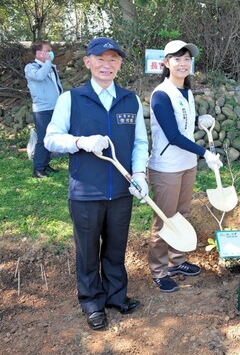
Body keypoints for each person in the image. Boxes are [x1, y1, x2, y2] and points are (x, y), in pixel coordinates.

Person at [44, 37, 148, 330]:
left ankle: (116, 296)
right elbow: (51, 138)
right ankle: (92, 302)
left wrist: (139, 174)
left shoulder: (130, 99)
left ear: (120, 64)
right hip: (86, 191)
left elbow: (140, 141)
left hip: (122, 189)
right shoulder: (72, 99)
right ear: (88, 62)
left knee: (116, 247)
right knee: (88, 250)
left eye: (113, 59)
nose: (107, 64)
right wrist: (80, 142)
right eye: (100, 59)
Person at [147, 40, 222, 293]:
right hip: (166, 166)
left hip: (186, 165)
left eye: (187, 58)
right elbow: (173, 135)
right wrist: (205, 154)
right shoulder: (161, 94)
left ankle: (176, 262)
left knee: (181, 215)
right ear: (166, 63)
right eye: (177, 58)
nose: (183, 63)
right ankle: (159, 271)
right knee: (164, 220)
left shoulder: (186, 92)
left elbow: (186, 129)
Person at [25, 41, 63, 178]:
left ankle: (46, 164)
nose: (51, 52)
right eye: (48, 50)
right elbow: (40, 77)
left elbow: (57, 85)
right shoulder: (31, 68)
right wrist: (47, 63)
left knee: (51, 136)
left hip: (55, 107)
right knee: (43, 139)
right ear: (39, 53)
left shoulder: (50, 67)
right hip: (42, 109)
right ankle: (38, 169)